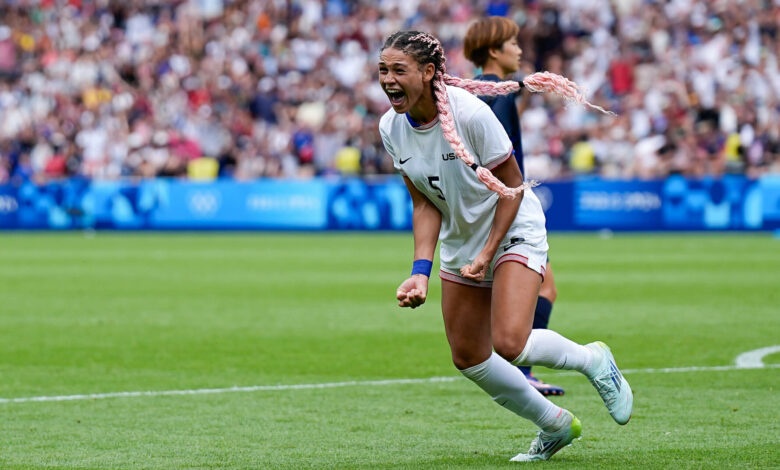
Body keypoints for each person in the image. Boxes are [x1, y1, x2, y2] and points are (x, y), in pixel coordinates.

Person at [378, 30, 631, 462]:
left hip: (512, 226)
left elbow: (512, 189)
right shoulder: (390, 127)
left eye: (398, 70)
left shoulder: (471, 114)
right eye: (383, 70)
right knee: (468, 356)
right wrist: (420, 272)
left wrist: (488, 251)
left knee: (511, 342)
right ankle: (554, 425)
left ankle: (593, 359)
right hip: (463, 240)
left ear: (428, 71)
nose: (388, 79)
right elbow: (424, 203)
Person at [463, 16, 564, 397]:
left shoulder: (474, 91)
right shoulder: (499, 96)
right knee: (545, 287)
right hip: (508, 202)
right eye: (513, 44)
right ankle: (521, 371)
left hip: (479, 203)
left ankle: (517, 369)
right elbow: (502, 156)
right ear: (494, 50)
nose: (520, 50)